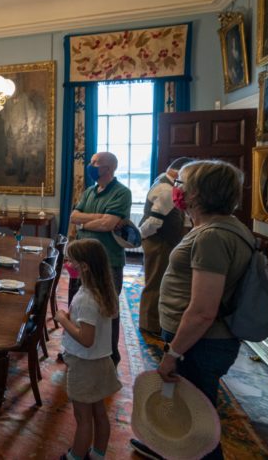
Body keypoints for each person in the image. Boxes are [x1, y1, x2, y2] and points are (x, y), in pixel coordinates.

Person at [130, 160, 253, 460]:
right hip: (200, 341)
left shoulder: (211, 236)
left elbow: (202, 311)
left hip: (201, 342)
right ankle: (169, 444)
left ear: (200, 193)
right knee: (188, 403)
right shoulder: (224, 227)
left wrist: (173, 354)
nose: (176, 190)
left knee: (200, 419)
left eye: (182, 184)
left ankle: (194, 453)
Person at [56, 239, 122, 460]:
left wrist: (63, 320)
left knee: (83, 418)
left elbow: (86, 339)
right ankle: (98, 454)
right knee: (99, 413)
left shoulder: (85, 299)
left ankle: (75, 456)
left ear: (83, 266)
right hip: (102, 361)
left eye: (71, 260)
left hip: (85, 364)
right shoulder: (104, 292)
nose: (68, 264)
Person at [69, 151, 132, 365]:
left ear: (110, 168)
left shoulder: (122, 193)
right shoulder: (89, 191)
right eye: (91, 162)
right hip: (82, 260)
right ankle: (77, 347)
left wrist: (84, 222)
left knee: (108, 309)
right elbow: (74, 216)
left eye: (96, 163)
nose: (91, 165)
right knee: (78, 307)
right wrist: (98, 218)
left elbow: (108, 224)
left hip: (108, 261)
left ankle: (109, 355)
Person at [137, 157, 192, 335]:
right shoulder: (166, 189)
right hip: (158, 242)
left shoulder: (164, 180)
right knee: (155, 283)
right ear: (177, 172)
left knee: (157, 281)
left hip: (160, 240)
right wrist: (142, 238)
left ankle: (153, 321)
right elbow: (153, 222)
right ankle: (149, 324)